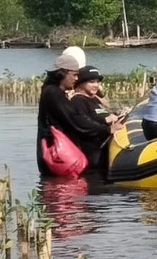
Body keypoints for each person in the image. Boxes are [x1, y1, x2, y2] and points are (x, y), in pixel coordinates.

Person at [36, 48, 110, 177]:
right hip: (57, 154)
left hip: (53, 153)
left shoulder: (52, 91)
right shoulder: (54, 94)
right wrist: (107, 129)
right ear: (62, 74)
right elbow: (76, 121)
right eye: (74, 75)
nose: (77, 78)